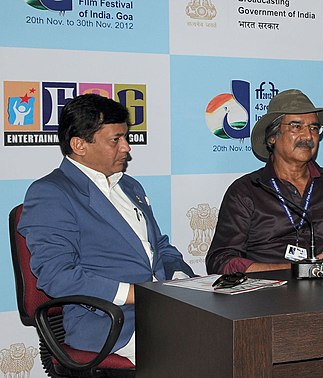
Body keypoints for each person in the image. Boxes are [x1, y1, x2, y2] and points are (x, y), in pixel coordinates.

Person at [18, 94, 195, 364]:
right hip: (112, 324)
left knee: (241, 338)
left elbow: (159, 247)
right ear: (79, 145)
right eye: (116, 139)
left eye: (126, 138)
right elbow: (57, 276)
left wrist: (182, 280)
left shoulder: (130, 186)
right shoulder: (50, 193)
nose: (126, 148)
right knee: (206, 349)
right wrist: (139, 295)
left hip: (165, 309)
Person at [206, 89, 323, 274]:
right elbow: (221, 260)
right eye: (296, 126)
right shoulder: (246, 190)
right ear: (272, 137)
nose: (308, 136)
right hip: (269, 296)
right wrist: (295, 270)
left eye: (313, 128)